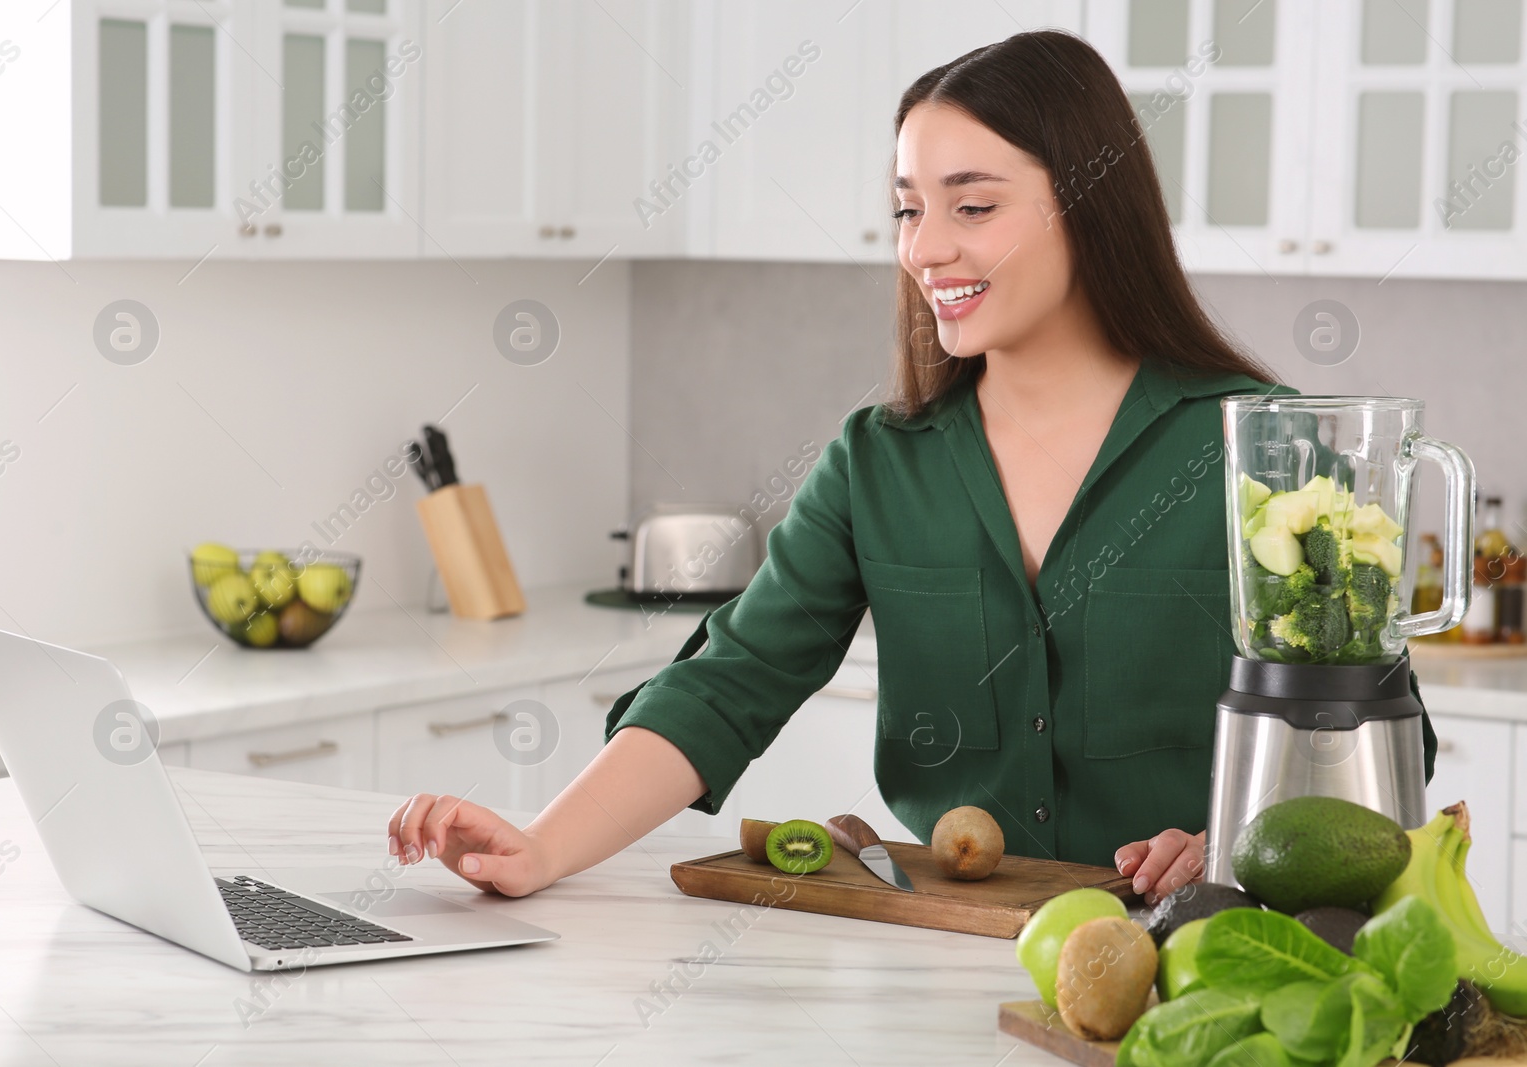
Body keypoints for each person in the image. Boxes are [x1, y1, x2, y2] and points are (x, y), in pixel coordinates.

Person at [388, 31, 1435, 906]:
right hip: (943, 952)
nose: (924, 247)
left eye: (971, 206)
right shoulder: (875, 462)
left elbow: (1384, 746)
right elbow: (730, 683)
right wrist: (541, 845)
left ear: (1090, 205)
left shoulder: (1270, 451)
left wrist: (1235, 842)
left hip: (1215, 951)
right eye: (906, 207)